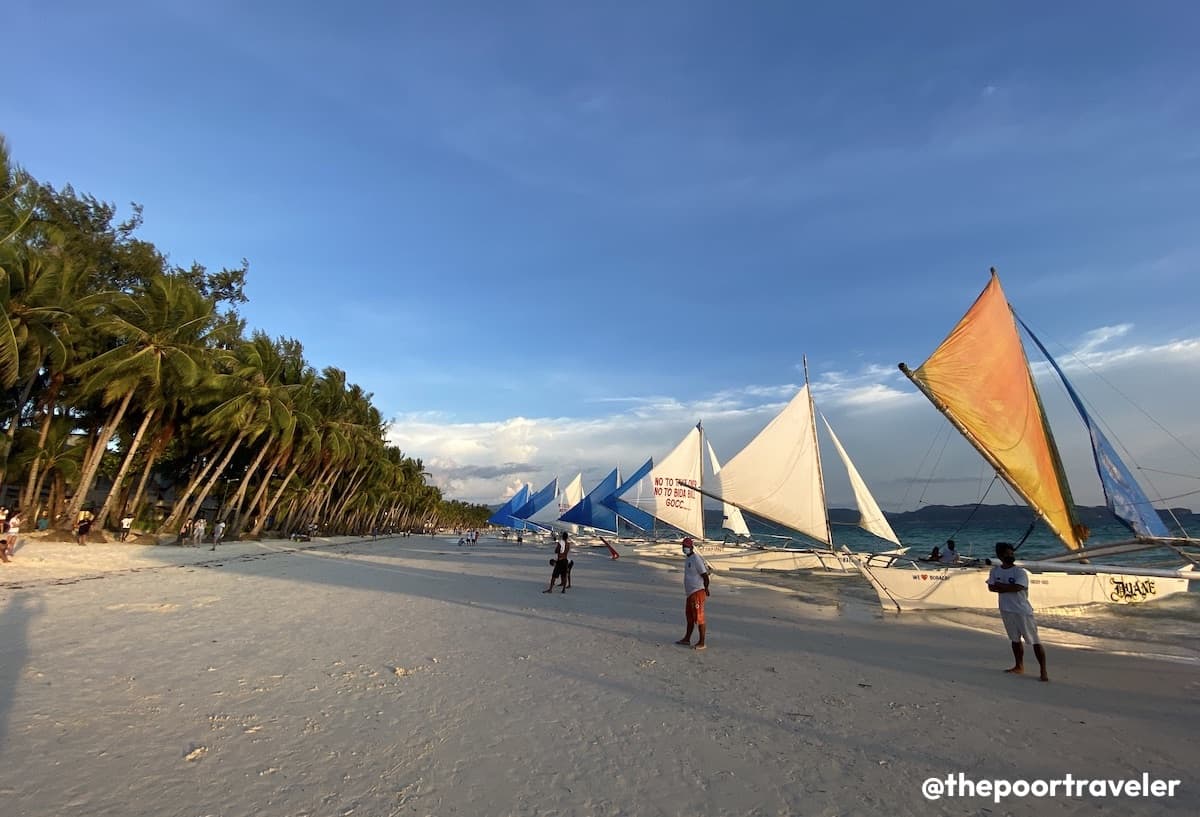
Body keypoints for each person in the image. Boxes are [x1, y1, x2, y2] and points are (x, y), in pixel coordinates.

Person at [988, 542, 1048, 682]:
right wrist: (1005, 587)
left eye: (1011, 553)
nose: (1010, 556)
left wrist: (1001, 586)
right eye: (1007, 554)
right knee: (1014, 640)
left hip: (1022, 610)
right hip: (1006, 609)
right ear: (1000, 555)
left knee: (1034, 640)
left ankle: (1043, 670)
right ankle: (1018, 666)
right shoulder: (995, 571)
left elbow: (1018, 587)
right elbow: (991, 587)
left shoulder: (1020, 572)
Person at [675, 537, 710, 650]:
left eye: (687, 547)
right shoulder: (688, 559)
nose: (685, 548)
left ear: (691, 547)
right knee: (689, 617)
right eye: (684, 547)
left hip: (697, 591)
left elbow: (705, 575)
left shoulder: (696, 559)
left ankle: (702, 642)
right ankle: (687, 639)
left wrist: (706, 588)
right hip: (690, 593)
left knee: (699, 618)